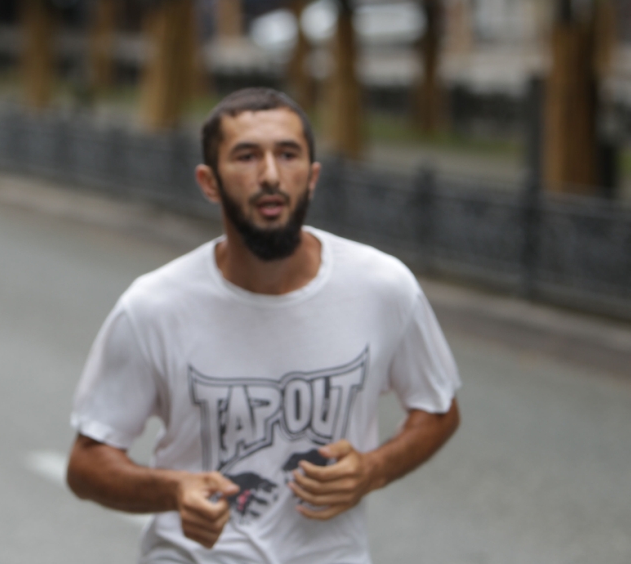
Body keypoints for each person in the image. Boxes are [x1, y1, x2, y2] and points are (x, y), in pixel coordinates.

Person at [66, 87, 461, 563]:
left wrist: (372, 469)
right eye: (247, 156)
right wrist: (175, 489)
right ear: (209, 182)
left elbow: (438, 408)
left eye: (288, 155)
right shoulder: (154, 305)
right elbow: (87, 463)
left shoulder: (382, 286)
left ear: (312, 177)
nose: (271, 175)